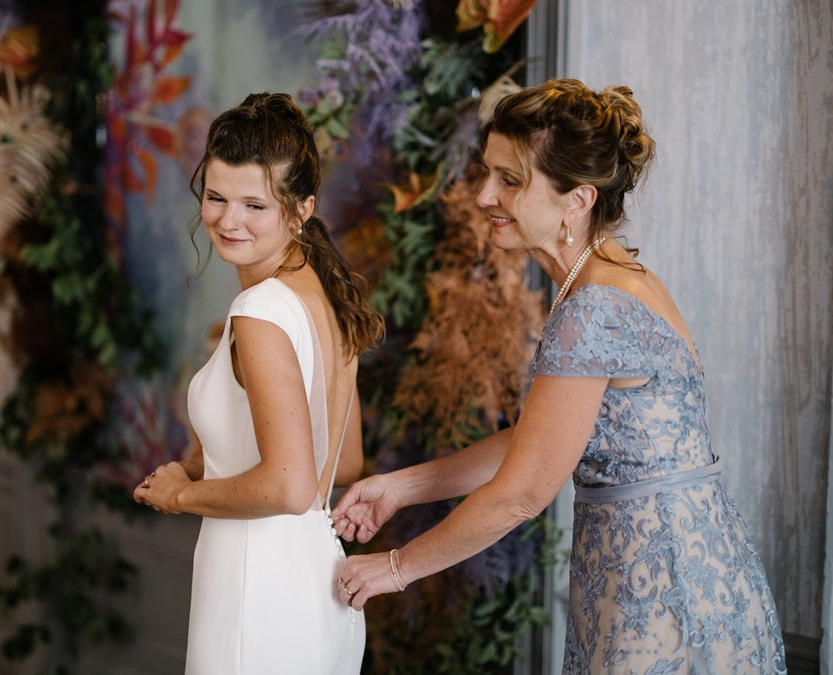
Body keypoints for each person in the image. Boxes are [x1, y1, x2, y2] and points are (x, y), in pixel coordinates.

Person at [331, 79, 787, 673]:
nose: (484, 196)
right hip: (678, 576)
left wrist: (395, 568)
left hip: (664, 596)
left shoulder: (592, 310)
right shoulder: (608, 282)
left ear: (578, 200)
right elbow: (539, 443)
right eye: (487, 172)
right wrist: (401, 487)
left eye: (511, 181)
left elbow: (522, 493)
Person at [133, 92, 383, 674]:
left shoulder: (261, 310)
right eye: (216, 198)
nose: (227, 220)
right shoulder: (325, 294)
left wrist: (182, 495)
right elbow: (340, 463)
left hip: (258, 593)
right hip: (318, 584)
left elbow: (292, 485)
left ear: (300, 210)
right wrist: (203, 466)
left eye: (255, 204)